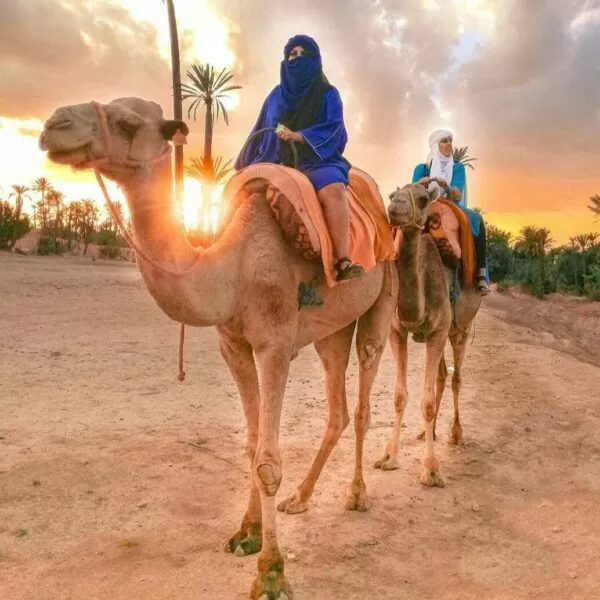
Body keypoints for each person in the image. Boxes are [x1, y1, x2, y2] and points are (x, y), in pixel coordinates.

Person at [234, 34, 364, 281]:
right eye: (292, 54)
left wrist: (300, 137)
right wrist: (243, 163)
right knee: (238, 194)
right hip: (273, 161)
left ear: (316, 61)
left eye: (304, 54)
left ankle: (343, 260)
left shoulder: (328, 94)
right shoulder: (275, 96)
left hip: (315, 161)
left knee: (333, 191)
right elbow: (260, 127)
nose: (297, 58)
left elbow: (334, 127)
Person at [412, 129, 490, 295]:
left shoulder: (458, 168)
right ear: (435, 145)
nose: (449, 144)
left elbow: (457, 192)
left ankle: (481, 273)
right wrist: (421, 183)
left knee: (476, 220)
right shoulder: (422, 168)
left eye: (450, 141)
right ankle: (392, 260)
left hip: (450, 204)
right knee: (401, 221)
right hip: (426, 205)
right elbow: (413, 190)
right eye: (444, 141)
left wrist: (446, 186)